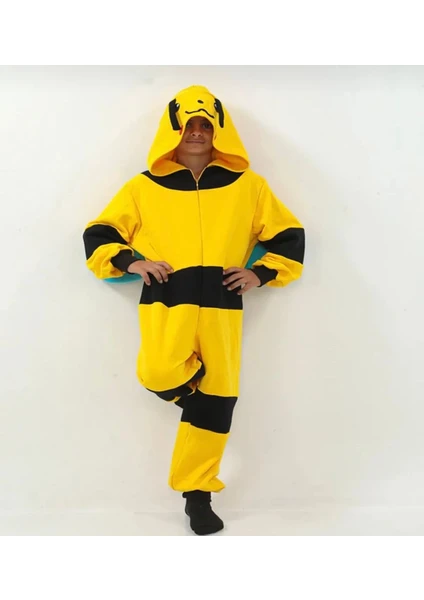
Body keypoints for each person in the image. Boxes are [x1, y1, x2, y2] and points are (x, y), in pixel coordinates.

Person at [83, 85, 305, 535]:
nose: (197, 132)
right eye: (188, 125)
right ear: (173, 131)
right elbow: (99, 233)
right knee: (158, 371)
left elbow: (289, 236)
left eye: (205, 124)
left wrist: (260, 273)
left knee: (221, 395)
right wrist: (131, 262)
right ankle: (199, 404)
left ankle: (197, 495)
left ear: (219, 130)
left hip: (223, 304)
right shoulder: (144, 187)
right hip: (167, 297)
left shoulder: (248, 186)